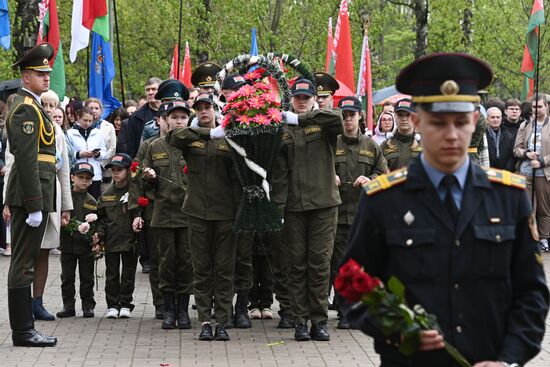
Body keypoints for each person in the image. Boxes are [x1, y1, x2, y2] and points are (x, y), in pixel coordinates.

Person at [341, 52, 549, 366]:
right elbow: (349, 285)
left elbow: (532, 293)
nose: (451, 134)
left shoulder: (508, 197)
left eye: (460, 122)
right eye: (438, 122)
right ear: (418, 121)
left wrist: (509, 359)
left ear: (474, 122)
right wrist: (398, 329)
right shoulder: (384, 200)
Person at [272, 79, 343, 342]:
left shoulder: (323, 123)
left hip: (323, 205)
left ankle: (319, 321)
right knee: (296, 265)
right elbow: (279, 174)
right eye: (297, 97)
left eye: (306, 97)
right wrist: (278, 208)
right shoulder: (282, 130)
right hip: (294, 207)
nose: (301, 101)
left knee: (320, 264)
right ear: (291, 99)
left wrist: (301, 118)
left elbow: (336, 118)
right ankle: (300, 321)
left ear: (314, 99)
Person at [167, 92, 239, 342]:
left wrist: (222, 131)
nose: (204, 112)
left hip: (225, 213)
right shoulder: (190, 136)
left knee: (224, 269)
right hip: (197, 212)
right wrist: (205, 131)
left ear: (216, 110)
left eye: (208, 107)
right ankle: (205, 320)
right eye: (199, 109)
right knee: (202, 269)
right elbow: (175, 137)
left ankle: (222, 320)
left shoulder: (229, 138)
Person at [4, 42, 58, 347]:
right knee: (23, 261)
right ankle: (23, 331)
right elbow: (25, 159)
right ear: (26, 77)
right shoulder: (25, 107)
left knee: (25, 260)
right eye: (40, 73)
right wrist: (34, 204)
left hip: (35, 191)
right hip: (29, 195)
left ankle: (25, 329)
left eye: (47, 73)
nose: (46, 77)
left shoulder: (34, 104)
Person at [331, 96, 387, 329]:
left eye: (351, 115)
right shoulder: (331, 143)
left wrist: (370, 178)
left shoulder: (370, 145)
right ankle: (344, 310)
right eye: (344, 116)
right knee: (339, 264)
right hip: (337, 213)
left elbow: (384, 173)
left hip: (362, 215)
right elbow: (319, 166)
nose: (348, 120)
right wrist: (328, 176)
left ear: (359, 117)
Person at [140, 93, 194, 330]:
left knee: (186, 262)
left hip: (188, 215)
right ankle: (168, 309)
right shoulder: (154, 146)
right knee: (165, 263)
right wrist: (148, 178)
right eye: (175, 117)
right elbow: (141, 183)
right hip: (162, 216)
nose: (179, 121)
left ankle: (183, 310)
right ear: (166, 120)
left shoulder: (194, 144)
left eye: (183, 117)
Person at [95, 153, 138, 319]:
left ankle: (126, 303)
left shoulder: (135, 191)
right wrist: (99, 236)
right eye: (113, 170)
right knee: (111, 274)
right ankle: (112, 304)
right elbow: (101, 218)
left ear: (128, 171)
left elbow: (139, 211)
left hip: (130, 239)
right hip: (112, 240)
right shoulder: (106, 193)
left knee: (128, 273)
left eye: (119, 170)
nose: (115, 173)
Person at [56, 162, 98, 318]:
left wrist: (95, 238)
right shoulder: (64, 199)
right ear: (72, 177)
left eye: (88, 178)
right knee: (67, 277)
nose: (84, 181)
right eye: (80, 177)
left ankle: (88, 306)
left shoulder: (92, 201)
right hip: (67, 245)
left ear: (92, 181)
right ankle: (68, 306)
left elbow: (96, 224)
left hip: (85, 247)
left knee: (87, 278)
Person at [513, 95, 550, 253]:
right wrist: (526, 153)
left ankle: (543, 238)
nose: (537, 110)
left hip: (544, 174)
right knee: (525, 207)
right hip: (525, 173)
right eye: (534, 107)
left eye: (540, 106)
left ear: (547, 106)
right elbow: (516, 148)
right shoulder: (525, 124)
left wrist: (542, 162)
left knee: (544, 209)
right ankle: (526, 238)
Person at [67, 107, 108, 199]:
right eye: (85, 120)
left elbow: (105, 153)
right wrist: (79, 154)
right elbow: (67, 153)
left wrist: (97, 154)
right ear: (78, 118)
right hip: (77, 172)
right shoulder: (70, 133)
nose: (88, 123)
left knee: (93, 201)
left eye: (90, 121)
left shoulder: (98, 133)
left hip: (94, 174)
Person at [122, 78, 161, 158]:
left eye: (153, 89)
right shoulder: (135, 117)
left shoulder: (171, 112)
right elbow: (131, 147)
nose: (150, 92)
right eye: (147, 90)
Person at [380, 98, 423, 171]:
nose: (404, 118)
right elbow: (377, 172)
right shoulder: (385, 146)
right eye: (400, 115)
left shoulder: (424, 145)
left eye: (408, 115)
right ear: (395, 116)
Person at [485, 107, 515, 171]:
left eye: (498, 117)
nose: (495, 120)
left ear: (501, 119)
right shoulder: (482, 136)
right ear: (487, 119)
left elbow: (512, 156)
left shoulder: (509, 136)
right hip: (487, 172)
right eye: (492, 117)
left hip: (505, 173)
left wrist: (507, 170)